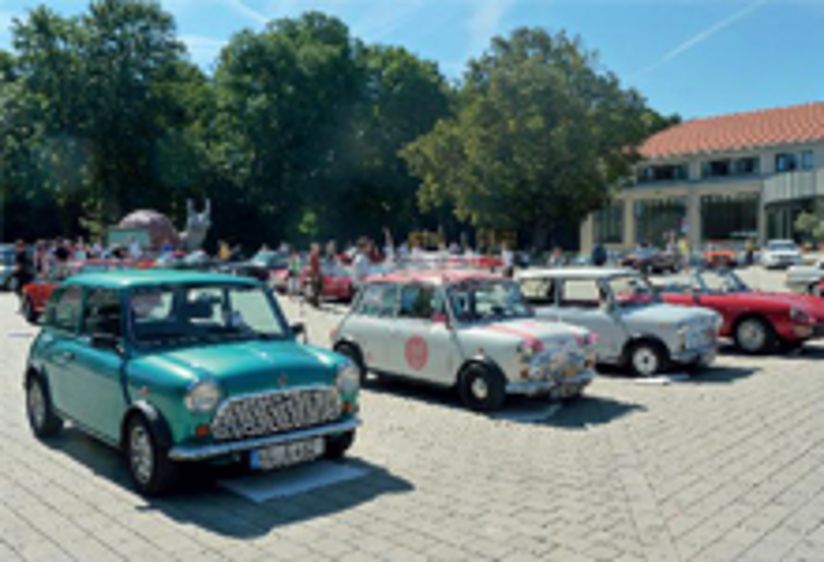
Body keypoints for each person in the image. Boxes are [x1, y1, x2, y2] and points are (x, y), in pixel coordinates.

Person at [308, 243, 323, 308]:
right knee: (315, 288)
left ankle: (315, 302)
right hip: (315, 274)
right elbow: (313, 266)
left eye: (318, 247)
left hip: (317, 273)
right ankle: (314, 302)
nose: (318, 249)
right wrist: (315, 275)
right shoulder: (313, 255)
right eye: (317, 247)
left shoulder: (316, 255)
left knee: (317, 288)